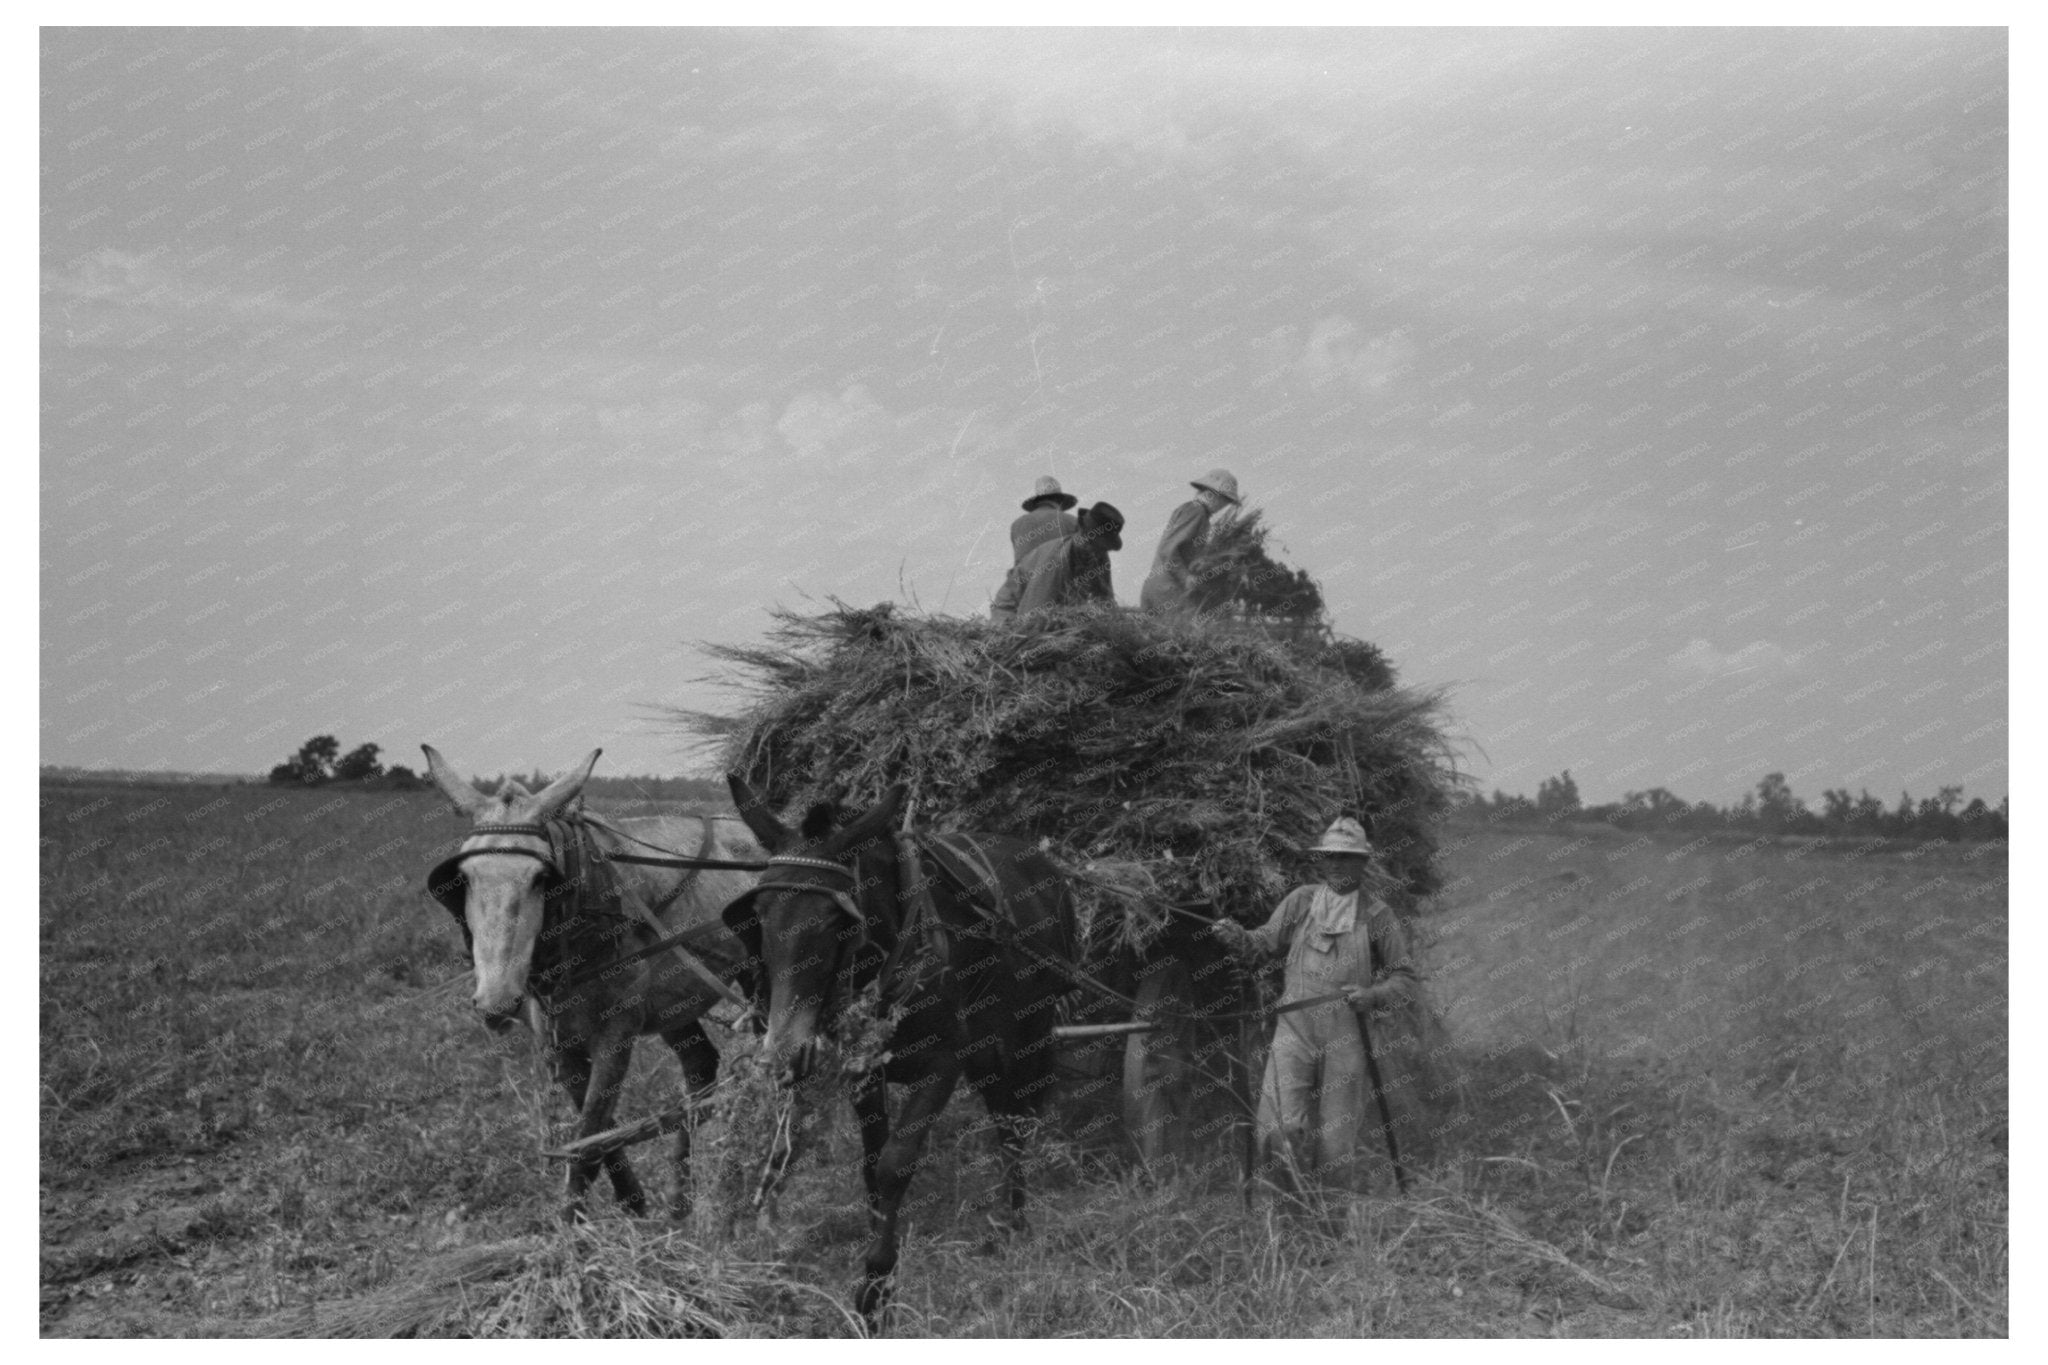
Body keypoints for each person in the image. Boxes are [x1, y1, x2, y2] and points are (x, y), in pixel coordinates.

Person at [1212, 816, 1418, 1201]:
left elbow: (1405, 979)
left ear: (1362, 863)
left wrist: (1373, 995)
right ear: (1321, 861)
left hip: (1349, 1035)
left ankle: (1332, 1226)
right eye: (1330, 857)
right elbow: (1262, 943)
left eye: (1346, 857)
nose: (1336, 864)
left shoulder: (1377, 915)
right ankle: (1288, 1213)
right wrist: (1237, 937)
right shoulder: (1301, 901)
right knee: (1276, 1128)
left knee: (1335, 1148)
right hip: (1295, 1030)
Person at [990, 502, 1123, 622]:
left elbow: (1106, 600)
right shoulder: (1055, 562)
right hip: (1011, 608)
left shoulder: (1099, 555)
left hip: (1053, 609)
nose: (1098, 552)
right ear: (1082, 534)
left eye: (1103, 548)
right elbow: (1033, 615)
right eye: (1095, 545)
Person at [1139, 468, 1241, 617]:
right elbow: (1168, 549)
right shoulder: (1196, 512)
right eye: (1225, 500)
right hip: (1169, 590)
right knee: (1186, 635)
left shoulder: (1190, 510)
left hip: (1156, 587)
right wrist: (1185, 577)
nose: (1224, 506)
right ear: (1213, 495)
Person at [1010, 476, 1080, 566]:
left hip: (1023, 578)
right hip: (1059, 577)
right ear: (1059, 500)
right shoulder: (1071, 521)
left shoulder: (1017, 525)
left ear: (1036, 502)